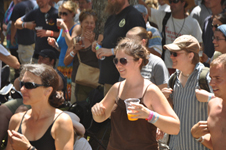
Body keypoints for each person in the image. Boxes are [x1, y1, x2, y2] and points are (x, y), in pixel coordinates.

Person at [91, 38, 180, 150]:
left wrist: (149, 115)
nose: (118, 65)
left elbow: (175, 127)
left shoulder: (150, 90)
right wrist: (96, 110)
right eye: (116, 61)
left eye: (123, 60)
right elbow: (100, 118)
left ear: (138, 62)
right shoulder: (116, 88)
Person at [5, 64, 74, 150]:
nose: (22, 89)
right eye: (22, 84)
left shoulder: (61, 122)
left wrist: (29, 149)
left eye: (29, 85)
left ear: (48, 91)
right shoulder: (16, 120)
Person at [162, 35, 211, 150]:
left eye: (175, 53)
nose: (171, 57)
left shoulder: (206, 77)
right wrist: (165, 99)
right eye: (171, 53)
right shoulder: (173, 79)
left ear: (190, 56)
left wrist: (209, 97)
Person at [92, 0, 146, 96]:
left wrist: (112, 51)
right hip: (108, 78)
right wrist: (98, 45)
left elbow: (138, 46)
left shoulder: (133, 15)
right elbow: (108, 42)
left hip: (123, 80)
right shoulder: (111, 18)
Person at [148, 0, 202, 75]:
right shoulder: (164, 17)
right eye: (170, 1)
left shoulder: (193, 23)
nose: (172, 4)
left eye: (175, 1)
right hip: (165, 66)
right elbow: (144, 9)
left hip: (185, 68)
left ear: (183, 3)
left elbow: (198, 46)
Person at [191, 54, 226, 150]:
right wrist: (198, 137)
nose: (211, 83)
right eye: (211, 77)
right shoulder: (212, 105)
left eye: (217, 78)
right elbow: (217, 143)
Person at [48, 0, 81, 101]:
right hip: (60, 66)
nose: (62, 16)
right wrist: (55, 45)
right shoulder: (62, 27)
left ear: (72, 14)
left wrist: (65, 28)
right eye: (60, 13)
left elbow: (71, 44)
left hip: (71, 67)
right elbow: (63, 48)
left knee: (69, 97)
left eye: (65, 13)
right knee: (59, 96)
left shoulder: (77, 27)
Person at [64, 9, 99, 103]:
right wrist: (74, 50)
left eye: (92, 23)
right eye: (86, 22)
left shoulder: (99, 39)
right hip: (78, 81)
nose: (89, 25)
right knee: (77, 110)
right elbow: (66, 62)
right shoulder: (75, 40)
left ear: (95, 25)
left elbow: (101, 57)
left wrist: (93, 43)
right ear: (81, 23)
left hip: (95, 82)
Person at [10, 0, 37, 64]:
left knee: (26, 66)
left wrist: (12, 37)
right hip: (37, 40)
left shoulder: (18, 7)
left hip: (25, 42)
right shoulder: (36, 4)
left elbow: (14, 24)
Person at [202, 0, 225, 66]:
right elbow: (204, 45)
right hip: (207, 69)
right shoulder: (206, 21)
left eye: (216, 26)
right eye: (212, 26)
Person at [2, 0, 21, 79]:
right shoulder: (11, 6)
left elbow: (14, 23)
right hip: (10, 39)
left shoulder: (19, 7)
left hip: (18, 40)